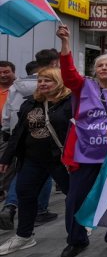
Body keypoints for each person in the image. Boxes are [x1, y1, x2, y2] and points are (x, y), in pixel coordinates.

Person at [56, 24, 107, 257]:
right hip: (86, 154)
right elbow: (68, 73)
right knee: (75, 199)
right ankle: (76, 239)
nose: (103, 68)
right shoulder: (84, 87)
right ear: (95, 70)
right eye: (99, 65)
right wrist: (66, 43)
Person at [0, 68, 72, 256]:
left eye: (48, 80)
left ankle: (78, 231)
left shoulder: (69, 102)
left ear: (58, 82)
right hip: (32, 158)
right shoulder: (30, 103)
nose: (42, 83)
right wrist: (7, 157)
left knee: (72, 194)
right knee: (25, 194)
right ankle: (24, 235)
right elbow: (18, 132)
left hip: (59, 159)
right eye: (40, 80)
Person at [0, 50, 61, 230]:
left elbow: (7, 112)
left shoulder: (16, 86)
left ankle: (11, 206)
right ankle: (40, 211)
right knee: (44, 173)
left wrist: (7, 131)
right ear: (54, 63)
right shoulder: (52, 85)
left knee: (24, 172)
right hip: (44, 138)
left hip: (17, 136)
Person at [0, 61, 16, 200]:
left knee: (5, 162)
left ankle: (3, 190)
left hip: (8, 130)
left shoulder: (18, 89)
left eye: (6, 72)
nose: (3, 75)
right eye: (0, 73)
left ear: (13, 72)